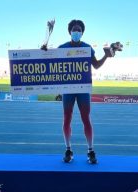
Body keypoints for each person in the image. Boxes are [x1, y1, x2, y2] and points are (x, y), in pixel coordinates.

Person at [58, 19, 113, 164]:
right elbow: (51, 64)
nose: (76, 32)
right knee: (67, 118)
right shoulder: (61, 48)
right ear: (70, 31)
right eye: (74, 29)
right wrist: (44, 51)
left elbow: (96, 66)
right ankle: (68, 149)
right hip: (68, 88)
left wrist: (106, 56)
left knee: (86, 118)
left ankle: (90, 150)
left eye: (79, 30)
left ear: (82, 32)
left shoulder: (87, 48)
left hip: (83, 88)